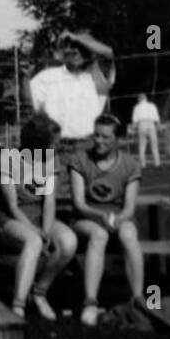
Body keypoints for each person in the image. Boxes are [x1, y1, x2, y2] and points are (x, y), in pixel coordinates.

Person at [0, 114, 77, 320]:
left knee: (68, 242)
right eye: (54, 143)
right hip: (12, 220)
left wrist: (47, 230)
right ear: (38, 144)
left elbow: (49, 201)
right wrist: (37, 232)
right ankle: (18, 305)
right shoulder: (8, 158)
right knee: (34, 241)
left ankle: (40, 292)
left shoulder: (51, 160)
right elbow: (12, 206)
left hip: (40, 218)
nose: (57, 147)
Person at [66, 114, 144, 327]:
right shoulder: (80, 160)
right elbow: (79, 204)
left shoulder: (130, 164)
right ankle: (90, 302)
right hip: (87, 218)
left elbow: (129, 207)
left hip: (118, 217)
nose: (99, 141)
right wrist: (101, 216)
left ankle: (140, 300)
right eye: (96, 136)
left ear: (117, 139)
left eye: (105, 137)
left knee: (129, 234)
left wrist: (117, 219)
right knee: (99, 235)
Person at [29, 31, 115, 153]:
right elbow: (36, 110)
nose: (75, 51)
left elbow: (108, 53)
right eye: (71, 47)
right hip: (56, 146)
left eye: (81, 48)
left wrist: (76, 38)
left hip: (89, 145)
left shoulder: (98, 77)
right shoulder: (46, 77)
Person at [132, 92, 161, 168]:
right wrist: (158, 126)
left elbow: (135, 120)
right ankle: (157, 163)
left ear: (140, 99)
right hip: (151, 124)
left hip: (142, 124)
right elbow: (156, 117)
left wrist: (133, 128)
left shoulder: (137, 107)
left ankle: (143, 164)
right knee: (154, 145)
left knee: (142, 145)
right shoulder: (152, 106)